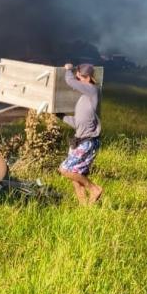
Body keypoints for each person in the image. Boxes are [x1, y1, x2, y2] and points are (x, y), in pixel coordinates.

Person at [59, 62, 103, 204]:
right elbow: (78, 123)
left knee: (65, 170)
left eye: (80, 78)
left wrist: (68, 70)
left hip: (88, 141)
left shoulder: (92, 90)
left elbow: (69, 81)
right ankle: (84, 207)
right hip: (80, 139)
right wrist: (59, 115)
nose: (78, 81)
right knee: (76, 176)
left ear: (88, 78)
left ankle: (94, 189)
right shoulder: (84, 98)